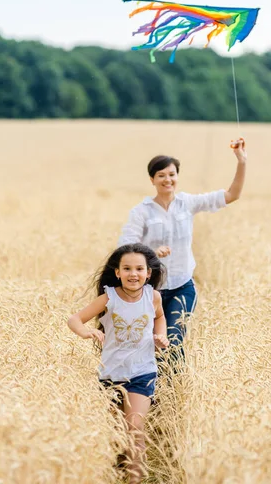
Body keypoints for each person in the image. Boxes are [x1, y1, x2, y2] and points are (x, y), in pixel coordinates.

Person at [119, 138, 247, 353]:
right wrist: (150, 253)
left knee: (173, 340)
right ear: (152, 179)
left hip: (182, 286)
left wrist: (241, 161)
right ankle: (151, 386)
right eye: (161, 175)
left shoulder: (188, 203)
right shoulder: (141, 211)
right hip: (149, 290)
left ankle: (176, 386)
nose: (167, 180)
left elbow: (232, 195)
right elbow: (125, 246)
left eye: (171, 174)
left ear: (177, 177)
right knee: (150, 344)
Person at [67, 243, 169, 484]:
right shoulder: (109, 297)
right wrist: (86, 333)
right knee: (117, 432)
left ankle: (134, 480)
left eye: (138, 269)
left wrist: (160, 335)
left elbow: (160, 317)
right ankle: (116, 470)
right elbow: (75, 319)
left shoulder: (152, 296)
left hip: (143, 372)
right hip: (111, 374)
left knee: (135, 429)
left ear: (148, 273)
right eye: (127, 268)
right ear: (117, 273)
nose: (133, 274)